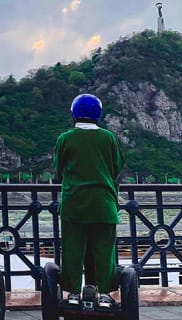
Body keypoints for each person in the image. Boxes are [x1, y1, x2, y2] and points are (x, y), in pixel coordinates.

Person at [54, 94, 126, 306]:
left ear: (74, 113)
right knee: (104, 250)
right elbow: (117, 167)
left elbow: (59, 170)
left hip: (74, 203)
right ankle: (105, 293)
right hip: (104, 204)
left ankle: (73, 293)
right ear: (98, 114)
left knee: (73, 249)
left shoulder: (65, 139)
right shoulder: (108, 138)